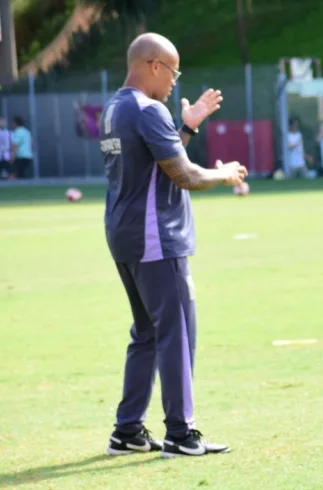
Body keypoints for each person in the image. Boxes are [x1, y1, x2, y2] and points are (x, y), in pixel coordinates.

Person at [101, 33, 246, 456]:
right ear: (153, 65)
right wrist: (226, 174)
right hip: (156, 237)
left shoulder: (116, 107)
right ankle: (181, 433)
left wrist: (187, 125)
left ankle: (127, 430)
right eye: (173, 71)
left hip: (124, 233)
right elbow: (184, 176)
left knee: (146, 332)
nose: (175, 83)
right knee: (177, 331)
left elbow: (158, 162)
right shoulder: (148, 110)